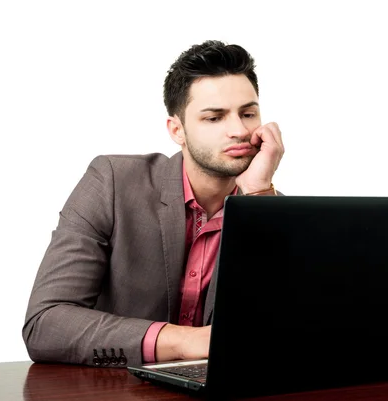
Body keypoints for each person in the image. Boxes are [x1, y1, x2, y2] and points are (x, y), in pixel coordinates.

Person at [22, 40, 285, 368]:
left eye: (248, 113)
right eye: (214, 118)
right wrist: (185, 342)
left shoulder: (271, 212)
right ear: (177, 130)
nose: (240, 130)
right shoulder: (114, 183)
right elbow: (45, 324)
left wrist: (259, 195)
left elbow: (293, 328)